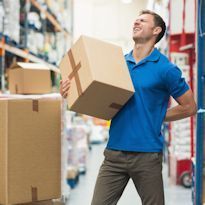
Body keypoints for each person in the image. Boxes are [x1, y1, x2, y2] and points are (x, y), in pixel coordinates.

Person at [60, 10, 197, 205]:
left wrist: (158, 116)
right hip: (114, 153)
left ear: (156, 30)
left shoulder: (166, 69)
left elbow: (190, 107)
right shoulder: (118, 64)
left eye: (143, 20)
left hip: (147, 155)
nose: (136, 22)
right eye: (136, 20)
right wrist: (69, 90)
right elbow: (94, 95)